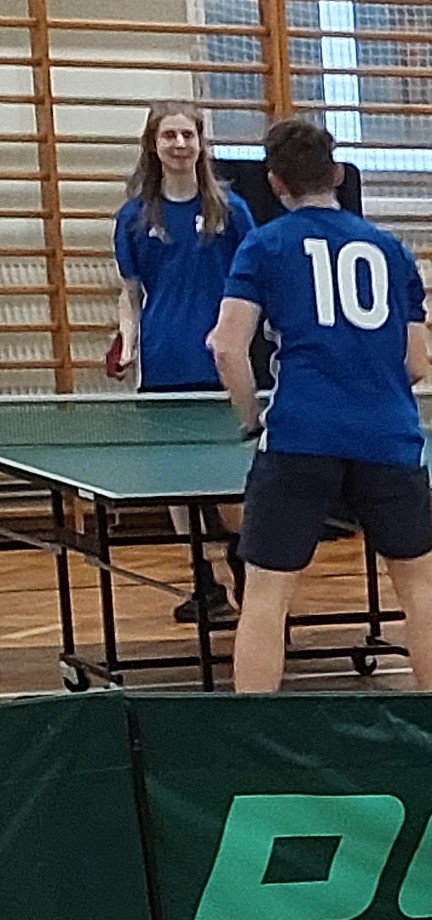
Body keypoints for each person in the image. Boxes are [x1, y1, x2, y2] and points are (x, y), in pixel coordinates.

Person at [205, 116, 432, 698]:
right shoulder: (391, 250)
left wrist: (250, 418)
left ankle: (254, 729)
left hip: (299, 435)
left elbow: (227, 346)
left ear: (275, 183)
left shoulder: (264, 245)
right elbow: (416, 363)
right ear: (337, 174)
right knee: (420, 589)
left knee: (266, 595)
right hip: (388, 437)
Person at [111, 101, 247, 623]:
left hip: (221, 365)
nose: (179, 144)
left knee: (230, 482)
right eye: (169, 135)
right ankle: (203, 583)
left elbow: (255, 285)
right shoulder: (134, 217)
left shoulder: (230, 211)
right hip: (163, 363)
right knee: (177, 485)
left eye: (187, 135)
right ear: (154, 144)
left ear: (200, 143)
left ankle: (245, 573)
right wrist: (128, 342)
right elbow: (130, 293)